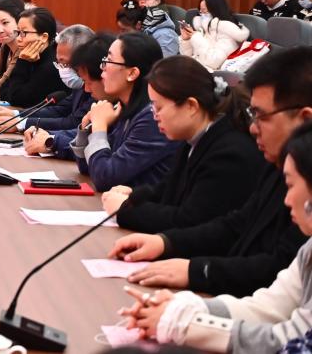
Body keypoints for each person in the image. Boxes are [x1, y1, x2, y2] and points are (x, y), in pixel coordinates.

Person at [109, 46, 312, 297]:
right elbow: (237, 224)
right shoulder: (277, 163)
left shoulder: (236, 152)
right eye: (253, 114)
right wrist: (166, 243)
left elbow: (277, 269)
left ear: (304, 119)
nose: (253, 128)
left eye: (261, 116)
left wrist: (195, 271)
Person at [120, 120, 312, 353]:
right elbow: (268, 307)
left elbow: (292, 341)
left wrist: (185, 325)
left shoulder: (231, 152)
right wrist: (186, 307)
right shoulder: (308, 249)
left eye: (291, 185)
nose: (287, 200)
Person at [102, 55, 263, 233]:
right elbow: (166, 189)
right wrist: (134, 196)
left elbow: (190, 220)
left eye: (158, 107)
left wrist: (125, 211)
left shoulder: (229, 153)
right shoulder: (194, 139)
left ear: (191, 106)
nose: (154, 116)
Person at [70, 32, 178, 192]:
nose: (102, 70)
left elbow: (104, 178)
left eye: (108, 61)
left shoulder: (152, 117)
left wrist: (99, 127)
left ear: (132, 73)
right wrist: (85, 130)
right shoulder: (126, 108)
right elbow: (88, 167)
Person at [0, 24, 94, 132]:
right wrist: (15, 114)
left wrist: (20, 123)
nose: (18, 38)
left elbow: (73, 123)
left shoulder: (96, 85)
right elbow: (60, 110)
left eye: (64, 63)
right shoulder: (80, 84)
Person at [24, 33, 114, 159]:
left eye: (88, 82)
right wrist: (47, 135)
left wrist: (51, 141)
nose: (86, 89)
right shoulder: (111, 102)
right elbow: (83, 142)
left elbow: (106, 155)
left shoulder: (135, 114)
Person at [0, 7, 67, 108]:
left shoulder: (51, 66)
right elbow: (3, 90)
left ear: (44, 37)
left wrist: (22, 62)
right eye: (18, 33)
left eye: (23, 33)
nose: (18, 39)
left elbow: (17, 99)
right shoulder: (31, 57)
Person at [178, 0, 249, 71]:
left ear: (215, 11)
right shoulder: (203, 29)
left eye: (205, 12)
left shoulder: (227, 31)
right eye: (200, 12)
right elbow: (188, 58)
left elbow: (213, 62)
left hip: (213, 74)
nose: (202, 16)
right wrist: (187, 40)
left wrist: (197, 38)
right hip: (196, 70)